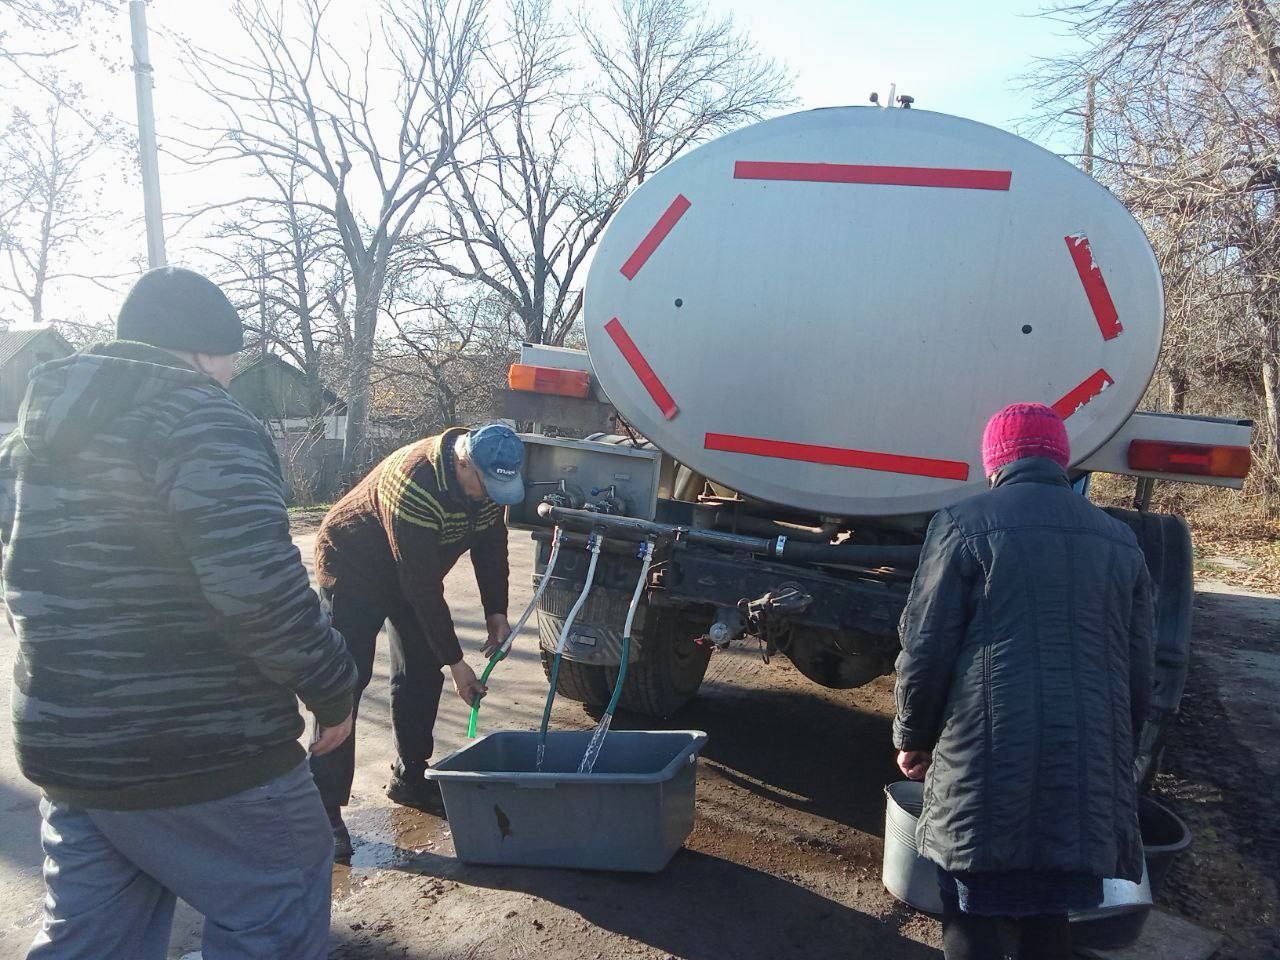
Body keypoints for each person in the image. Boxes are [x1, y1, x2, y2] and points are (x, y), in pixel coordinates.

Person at [0, 267, 359, 959]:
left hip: (70, 750)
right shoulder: (204, 420)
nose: (228, 375)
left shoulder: (34, 438)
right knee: (277, 899)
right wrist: (332, 684)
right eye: (228, 359)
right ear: (201, 351)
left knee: (92, 942)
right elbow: (258, 588)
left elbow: (29, 582)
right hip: (203, 747)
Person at [892, 402, 1154, 960]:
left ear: (996, 462)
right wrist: (1115, 750)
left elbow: (925, 648)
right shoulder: (1118, 541)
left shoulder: (963, 525)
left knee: (972, 914)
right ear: (1061, 462)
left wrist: (912, 738)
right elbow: (1136, 669)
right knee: (1051, 911)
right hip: (1082, 759)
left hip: (985, 764)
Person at [311, 422, 525, 861]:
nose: (489, 496)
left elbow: (491, 545)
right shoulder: (415, 483)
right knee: (345, 681)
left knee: (421, 673)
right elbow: (422, 586)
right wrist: (457, 662)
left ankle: (410, 777)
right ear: (464, 463)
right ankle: (322, 810)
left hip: (410, 570)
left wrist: (496, 613)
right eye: (485, 485)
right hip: (354, 566)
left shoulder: (483, 484)